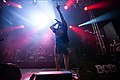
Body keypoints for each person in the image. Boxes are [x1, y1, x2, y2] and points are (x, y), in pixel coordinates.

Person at [50, 3, 69, 71]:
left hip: (59, 43)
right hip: (64, 43)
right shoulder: (64, 27)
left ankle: (58, 69)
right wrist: (59, 11)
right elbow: (63, 19)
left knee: (58, 56)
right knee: (65, 56)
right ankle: (66, 69)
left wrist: (56, 23)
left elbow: (51, 27)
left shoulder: (57, 29)